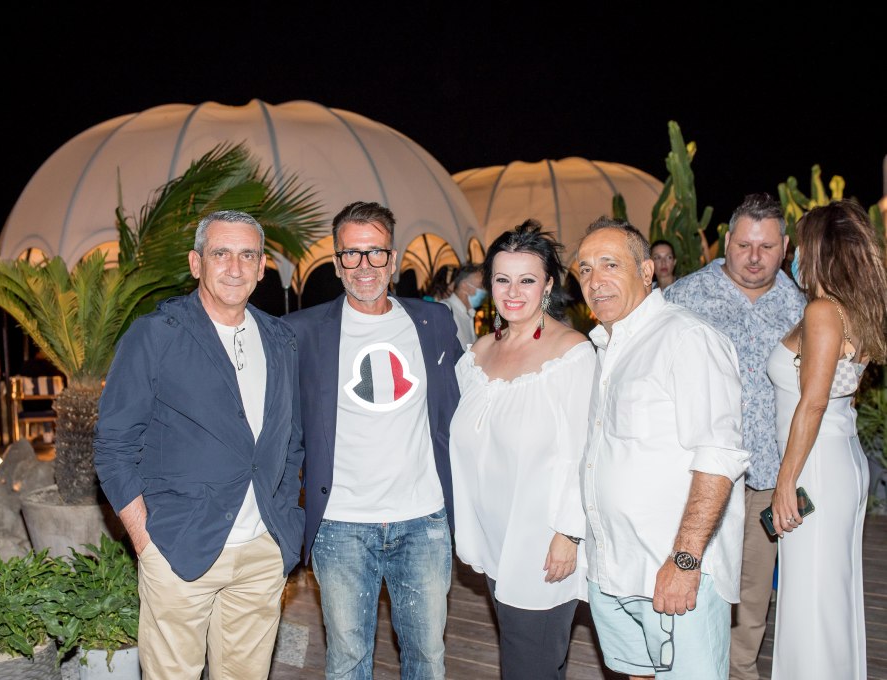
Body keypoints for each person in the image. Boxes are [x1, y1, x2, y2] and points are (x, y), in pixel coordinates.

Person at [93, 210, 305, 679]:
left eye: (247, 255)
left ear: (262, 266)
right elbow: (113, 445)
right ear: (196, 263)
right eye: (221, 253)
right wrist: (146, 541)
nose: (235, 267)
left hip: (262, 550)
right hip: (178, 546)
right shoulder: (156, 335)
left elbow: (291, 441)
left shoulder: (280, 338)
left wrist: (284, 526)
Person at [284, 200, 463, 679]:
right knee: (347, 660)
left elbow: (465, 403)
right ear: (337, 262)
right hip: (341, 524)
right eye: (352, 254)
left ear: (394, 258)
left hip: (423, 521)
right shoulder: (301, 332)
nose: (364, 266)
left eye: (376, 252)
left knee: (427, 657)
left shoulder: (434, 322)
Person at [576, 216, 750, 680]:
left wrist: (685, 561)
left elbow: (718, 456)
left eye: (610, 264)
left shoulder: (687, 338)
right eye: (585, 269)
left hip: (672, 570)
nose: (595, 280)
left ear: (647, 271)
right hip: (613, 569)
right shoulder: (605, 348)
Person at [662, 192, 805, 680]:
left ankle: (741, 671)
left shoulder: (799, 306)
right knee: (693, 582)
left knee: (752, 593)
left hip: (766, 477)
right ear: (726, 242)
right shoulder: (684, 297)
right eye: (744, 245)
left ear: (784, 247)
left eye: (767, 247)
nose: (754, 257)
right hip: (698, 476)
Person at [450, 219, 593, 679]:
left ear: (548, 285)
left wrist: (569, 535)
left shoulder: (572, 354)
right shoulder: (477, 354)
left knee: (528, 664)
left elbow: (582, 452)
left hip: (542, 543)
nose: (513, 292)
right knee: (530, 660)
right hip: (497, 541)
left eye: (527, 280)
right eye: (502, 279)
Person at [766, 199, 886, 680]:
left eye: (799, 245)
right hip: (839, 459)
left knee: (812, 598)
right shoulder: (852, 309)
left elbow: (813, 403)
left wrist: (785, 482)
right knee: (832, 592)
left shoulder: (822, 311)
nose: (793, 254)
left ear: (818, 251)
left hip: (813, 466)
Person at [439, 262, 485, 347]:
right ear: (464, 286)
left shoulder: (469, 314)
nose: (484, 291)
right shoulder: (444, 310)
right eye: (481, 285)